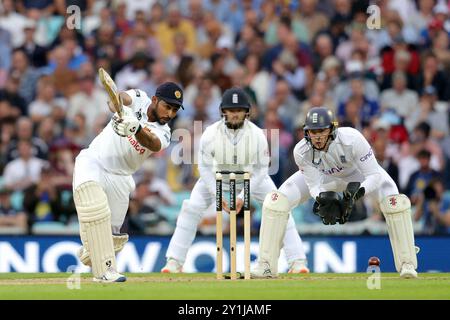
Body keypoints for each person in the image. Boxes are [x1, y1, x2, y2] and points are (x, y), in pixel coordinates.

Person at [252, 106, 419, 279]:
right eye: (313, 131)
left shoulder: (352, 138)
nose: (317, 136)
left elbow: (374, 175)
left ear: (332, 129)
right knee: (276, 201)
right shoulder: (300, 151)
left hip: (357, 175)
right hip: (324, 176)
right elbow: (314, 185)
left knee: (395, 201)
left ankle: (407, 263)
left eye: (322, 131)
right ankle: (266, 265)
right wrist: (323, 199)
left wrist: (358, 193)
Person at [161, 87, 309, 274]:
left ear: (247, 112)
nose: (235, 114)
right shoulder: (210, 134)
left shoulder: (257, 135)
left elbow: (261, 169)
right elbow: (205, 168)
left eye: (239, 110)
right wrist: (217, 193)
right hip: (217, 178)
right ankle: (174, 262)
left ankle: (297, 261)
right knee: (191, 208)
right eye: (231, 110)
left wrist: (242, 196)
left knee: (279, 207)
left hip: (252, 178)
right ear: (223, 111)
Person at [72, 81, 184, 282]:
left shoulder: (165, 132)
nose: (170, 113)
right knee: (95, 207)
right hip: (94, 161)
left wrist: (136, 128)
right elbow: (116, 99)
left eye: (174, 110)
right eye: (167, 107)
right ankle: (106, 271)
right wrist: (121, 110)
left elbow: (152, 143)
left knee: (111, 237)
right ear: (155, 100)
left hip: (121, 177)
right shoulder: (140, 98)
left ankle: (93, 254)